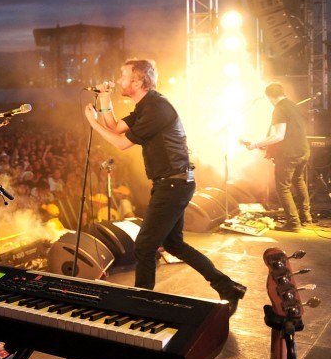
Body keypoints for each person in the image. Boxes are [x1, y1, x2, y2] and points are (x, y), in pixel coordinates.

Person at [83, 59, 247, 311]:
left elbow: (121, 143)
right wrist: (104, 99)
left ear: (138, 82)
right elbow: (116, 127)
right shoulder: (146, 106)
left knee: (145, 246)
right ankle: (226, 286)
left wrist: (92, 123)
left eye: (123, 76)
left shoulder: (157, 108)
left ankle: (141, 306)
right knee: (173, 245)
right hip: (172, 183)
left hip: (174, 184)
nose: (118, 81)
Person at [244, 83, 312, 231]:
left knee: (283, 188)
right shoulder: (293, 105)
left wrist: (255, 144)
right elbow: (290, 133)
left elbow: (279, 135)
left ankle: (293, 223)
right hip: (303, 151)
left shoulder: (279, 109)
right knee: (298, 180)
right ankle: (305, 217)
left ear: (270, 97)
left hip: (289, 155)